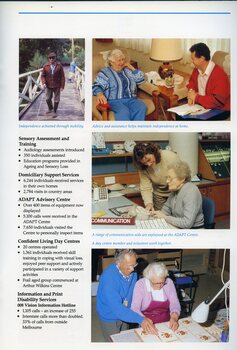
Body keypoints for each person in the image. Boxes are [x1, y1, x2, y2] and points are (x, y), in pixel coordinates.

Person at [96, 249, 157, 342]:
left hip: (126, 312)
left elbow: (133, 295)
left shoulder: (132, 272)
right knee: (113, 342)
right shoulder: (109, 278)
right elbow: (117, 308)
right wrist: (140, 319)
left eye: (134, 265)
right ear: (118, 263)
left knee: (124, 340)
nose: (133, 269)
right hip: (109, 315)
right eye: (129, 267)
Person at [92, 49, 147, 121]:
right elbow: (97, 85)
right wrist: (100, 94)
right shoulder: (105, 72)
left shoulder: (128, 71)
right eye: (119, 60)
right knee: (123, 112)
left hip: (131, 99)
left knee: (141, 107)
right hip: (114, 101)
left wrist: (132, 68)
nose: (122, 62)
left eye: (123, 59)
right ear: (111, 62)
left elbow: (140, 80)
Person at [154, 161, 204, 229]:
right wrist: (157, 214)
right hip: (179, 227)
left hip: (193, 231)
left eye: (170, 178)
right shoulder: (175, 189)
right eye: (167, 177)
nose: (167, 181)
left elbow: (187, 223)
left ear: (182, 179)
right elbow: (166, 210)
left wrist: (165, 217)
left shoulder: (191, 191)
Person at [131, 262, 181, 331]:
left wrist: (174, 317)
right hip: (146, 323)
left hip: (167, 322)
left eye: (162, 282)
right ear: (149, 279)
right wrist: (143, 320)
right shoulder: (140, 284)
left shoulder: (168, 282)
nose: (160, 286)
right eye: (156, 283)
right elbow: (135, 308)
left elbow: (175, 304)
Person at [133, 142, 180, 211]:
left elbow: (182, 176)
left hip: (176, 192)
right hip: (159, 195)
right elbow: (146, 187)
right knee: (161, 218)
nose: (148, 164)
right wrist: (149, 203)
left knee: (177, 217)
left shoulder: (169, 156)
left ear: (154, 153)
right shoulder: (142, 167)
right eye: (144, 163)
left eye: (149, 160)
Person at [187, 42, 230, 112]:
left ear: (201, 58)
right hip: (202, 105)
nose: (192, 61)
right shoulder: (196, 69)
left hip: (219, 109)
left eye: (193, 59)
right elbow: (192, 82)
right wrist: (191, 95)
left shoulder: (219, 74)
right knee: (179, 116)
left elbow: (218, 101)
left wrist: (196, 97)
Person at [41, 52, 65, 117]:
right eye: (50, 58)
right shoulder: (45, 66)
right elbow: (42, 76)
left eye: (53, 58)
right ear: (48, 59)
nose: (51, 59)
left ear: (55, 58)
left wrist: (62, 86)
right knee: (47, 99)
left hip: (57, 85)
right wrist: (43, 83)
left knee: (57, 99)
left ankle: (54, 111)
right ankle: (50, 108)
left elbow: (62, 76)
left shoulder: (59, 66)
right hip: (48, 85)